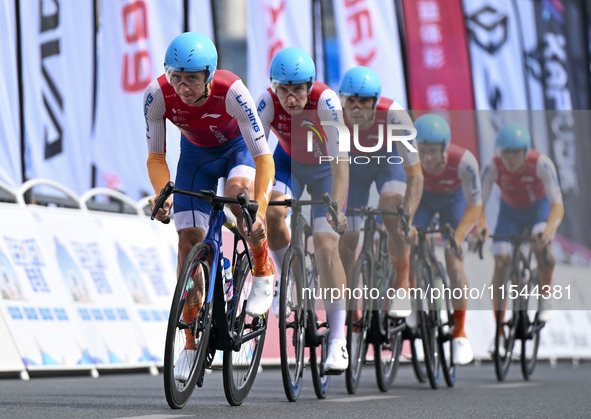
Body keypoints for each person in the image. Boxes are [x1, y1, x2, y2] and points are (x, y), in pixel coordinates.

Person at [144, 32, 275, 381]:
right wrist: (163, 193)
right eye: (176, 77)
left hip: (238, 152)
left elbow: (263, 159)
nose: (182, 87)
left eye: (191, 78)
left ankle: (263, 267)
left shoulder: (232, 91)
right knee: (188, 241)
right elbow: (156, 157)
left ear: (208, 74)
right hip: (196, 159)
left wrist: (259, 210)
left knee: (238, 200)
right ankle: (189, 341)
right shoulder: (157, 95)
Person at [255, 47, 350, 373]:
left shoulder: (326, 101)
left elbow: (340, 161)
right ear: (273, 86)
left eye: (297, 89)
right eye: (283, 89)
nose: (290, 97)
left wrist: (335, 208)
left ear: (309, 86)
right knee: (272, 214)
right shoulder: (266, 101)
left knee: (326, 246)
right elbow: (257, 155)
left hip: (325, 168)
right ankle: (288, 278)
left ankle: (338, 340)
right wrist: (257, 200)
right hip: (286, 163)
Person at [335, 66, 423, 319]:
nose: (356, 108)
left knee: (392, 210)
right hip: (352, 170)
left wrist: (408, 215)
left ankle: (402, 284)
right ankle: (351, 311)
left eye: (364, 102)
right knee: (348, 239)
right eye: (350, 100)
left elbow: (415, 174)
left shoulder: (394, 115)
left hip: (387, 164)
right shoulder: (333, 115)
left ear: (375, 102)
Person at [413, 113, 485, 365]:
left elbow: (475, 206)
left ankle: (460, 332)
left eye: (433, 151)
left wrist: (458, 235)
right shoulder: (408, 157)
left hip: (453, 203)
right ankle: (415, 291)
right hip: (422, 199)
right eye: (423, 150)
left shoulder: (464, 162)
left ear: (445, 147)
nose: (428, 158)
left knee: (454, 259)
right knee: (407, 240)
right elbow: (403, 195)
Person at [481, 123, 564, 327]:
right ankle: (499, 330)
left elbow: (557, 206)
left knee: (540, 245)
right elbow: (477, 205)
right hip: (510, 213)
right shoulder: (492, 167)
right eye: (504, 153)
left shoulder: (541, 164)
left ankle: (546, 293)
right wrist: (482, 227)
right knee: (500, 263)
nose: (509, 159)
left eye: (515, 153)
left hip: (539, 210)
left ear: (525, 151)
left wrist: (549, 231)